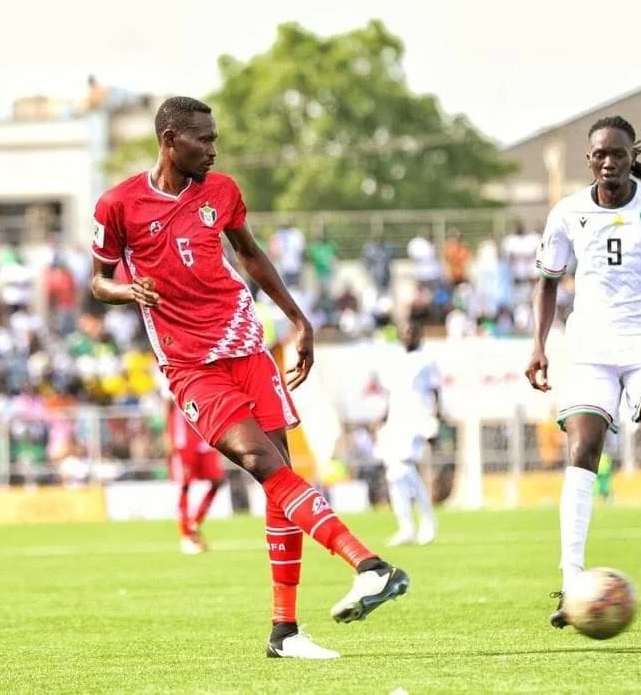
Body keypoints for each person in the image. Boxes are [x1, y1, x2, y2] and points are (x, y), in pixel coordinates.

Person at [89, 96, 409, 660]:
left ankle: (284, 632)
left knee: (280, 475)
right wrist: (125, 288)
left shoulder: (223, 191)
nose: (213, 149)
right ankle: (369, 564)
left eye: (215, 139)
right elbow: (98, 280)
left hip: (246, 345)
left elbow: (251, 255)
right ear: (170, 141)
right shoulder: (118, 204)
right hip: (190, 364)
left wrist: (298, 318)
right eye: (203, 141)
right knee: (262, 462)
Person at [525, 116, 641, 627]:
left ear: (631, 157)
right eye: (600, 154)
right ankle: (571, 580)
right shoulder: (567, 213)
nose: (609, 162)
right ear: (589, 159)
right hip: (589, 347)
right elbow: (546, 283)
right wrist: (537, 346)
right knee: (583, 450)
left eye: (618, 154)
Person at [373, 319, 440, 546]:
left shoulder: (426, 360)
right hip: (395, 421)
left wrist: (435, 421)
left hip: (417, 420)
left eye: (412, 331)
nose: (408, 335)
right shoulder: (395, 360)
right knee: (394, 474)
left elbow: (435, 391)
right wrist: (382, 418)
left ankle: (428, 521)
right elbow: (393, 395)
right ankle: (406, 527)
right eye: (405, 331)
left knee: (403, 467)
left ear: (419, 335)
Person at [165, 392, 226, 555]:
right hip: (183, 439)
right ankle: (186, 535)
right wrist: (169, 436)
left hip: (205, 436)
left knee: (218, 481)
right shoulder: (170, 371)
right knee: (184, 485)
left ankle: (194, 523)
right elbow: (168, 403)